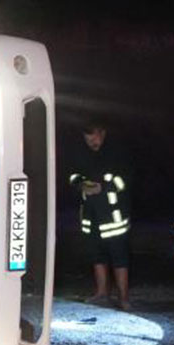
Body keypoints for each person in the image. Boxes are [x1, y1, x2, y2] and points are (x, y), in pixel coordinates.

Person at [68, 121, 133, 310]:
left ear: (102, 132)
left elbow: (125, 181)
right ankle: (101, 293)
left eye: (94, 137)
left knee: (119, 257)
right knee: (97, 255)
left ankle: (123, 298)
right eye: (87, 139)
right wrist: (80, 184)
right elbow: (72, 176)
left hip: (114, 219)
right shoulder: (81, 153)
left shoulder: (117, 152)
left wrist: (102, 187)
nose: (91, 142)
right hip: (92, 216)